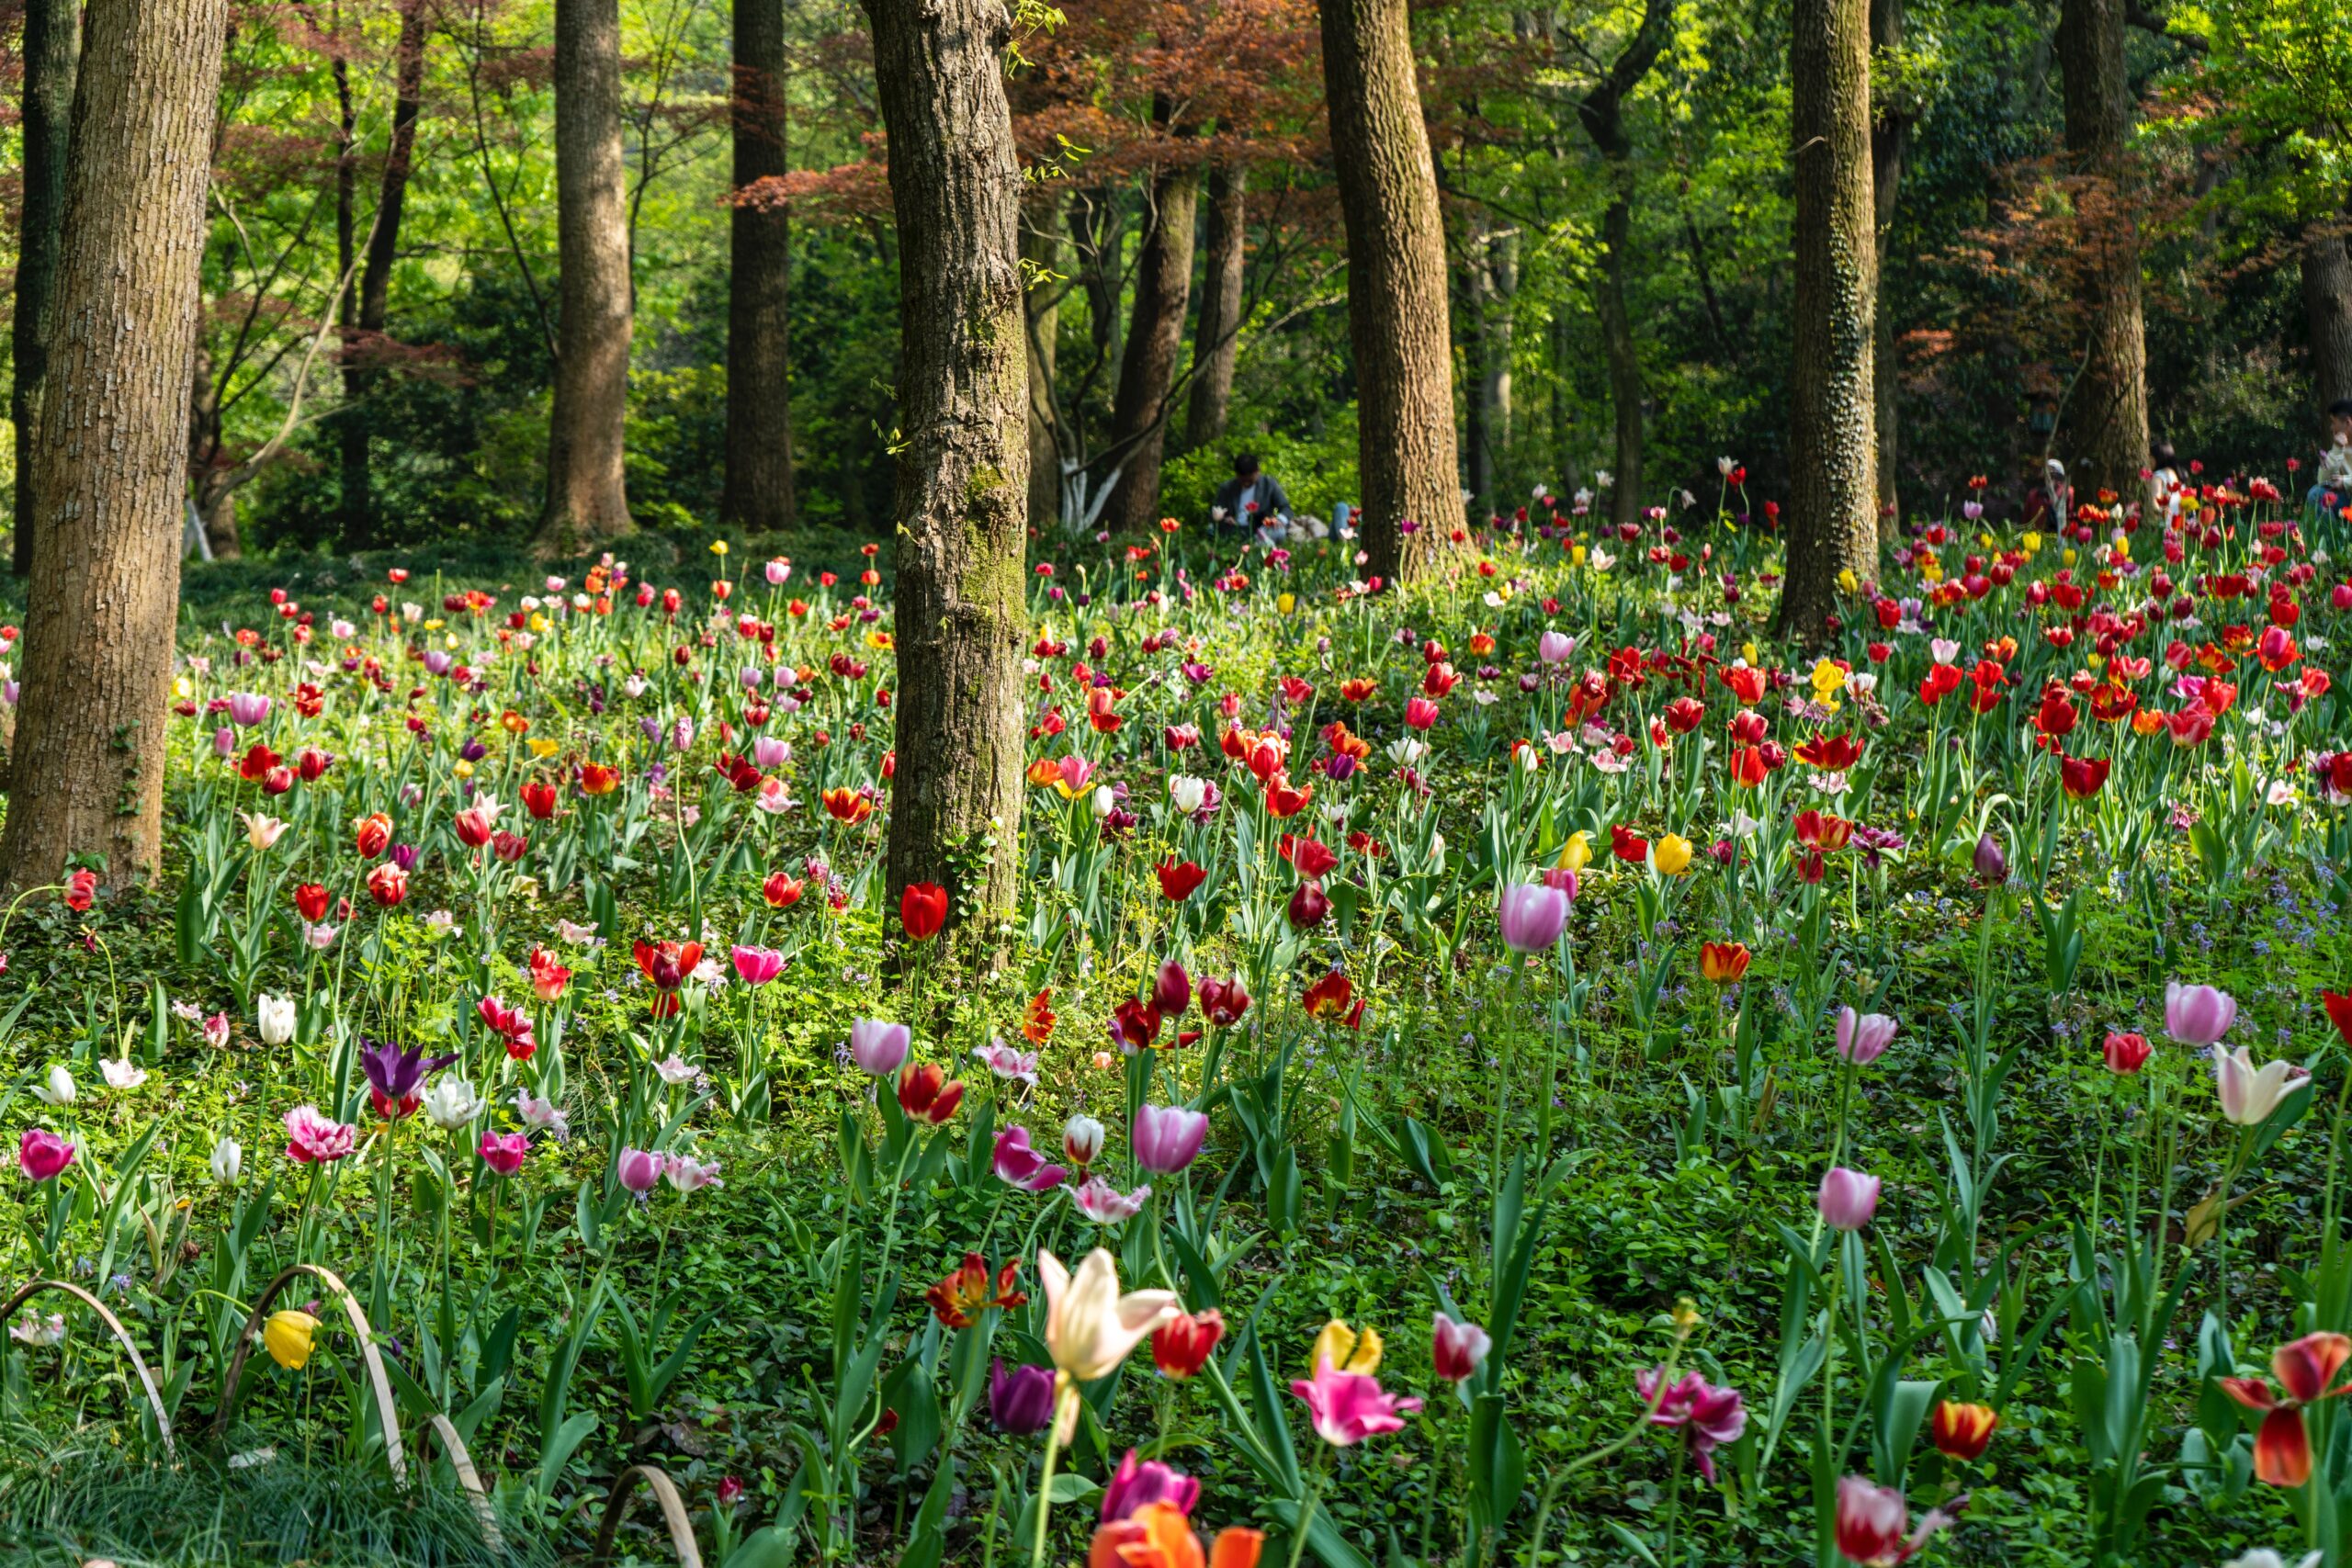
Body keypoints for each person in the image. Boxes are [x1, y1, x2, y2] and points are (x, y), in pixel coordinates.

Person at [1210, 453, 1292, 540]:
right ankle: (1252, 544)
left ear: (1258, 471)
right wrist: (1225, 518)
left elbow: (1286, 508)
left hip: (1261, 528)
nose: (1246, 483)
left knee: (1279, 531)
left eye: (1249, 480)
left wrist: (1279, 520)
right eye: (1242, 480)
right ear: (1237, 474)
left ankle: (1254, 544)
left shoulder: (1269, 484)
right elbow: (1216, 511)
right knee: (1211, 529)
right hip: (1234, 529)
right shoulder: (1226, 488)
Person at [2308, 399, 2352, 525]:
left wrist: (2345, 482)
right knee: (2316, 494)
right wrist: (2337, 449)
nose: (2331, 428)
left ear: (2348, 423)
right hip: (2347, 503)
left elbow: (2343, 482)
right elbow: (2322, 481)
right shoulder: (2340, 447)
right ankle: (2330, 541)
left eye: (2333, 422)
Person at [2148, 441, 2182, 526]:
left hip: (2165, 524)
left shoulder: (2157, 477)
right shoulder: (2176, 476)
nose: (2148, 460)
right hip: (2179, 523)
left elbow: (2155, 503)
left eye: (2150, 456)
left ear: (2157, 458)